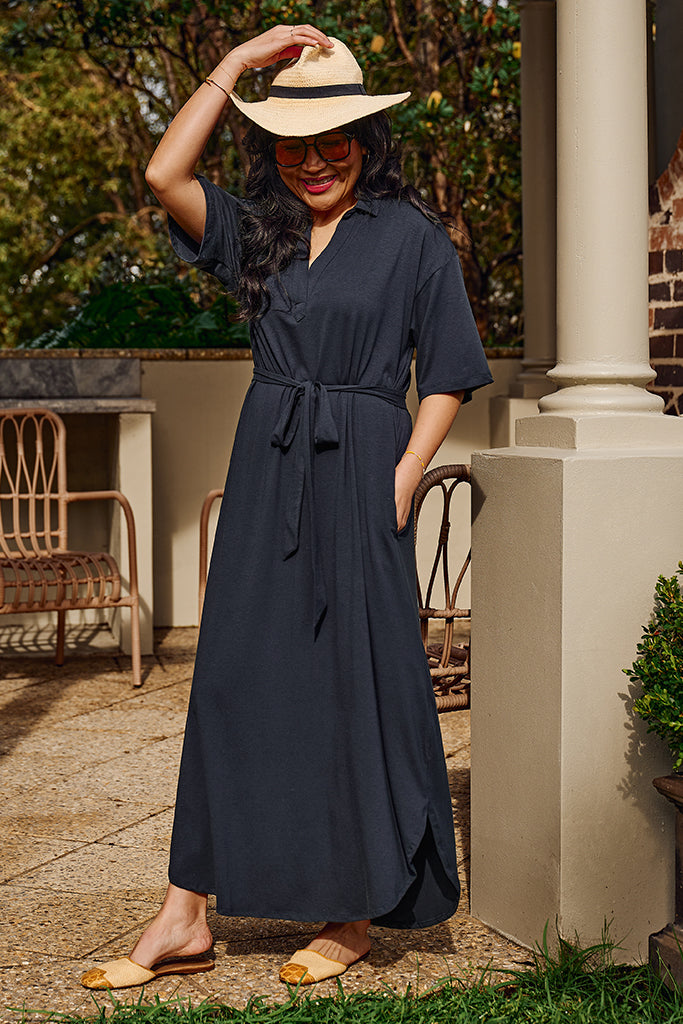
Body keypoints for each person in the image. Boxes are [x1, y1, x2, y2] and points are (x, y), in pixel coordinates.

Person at [80, 24, 492, 992]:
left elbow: (448, 371)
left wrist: (403, 473)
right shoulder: (257, 231)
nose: (314, 159)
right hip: (268, 470)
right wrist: (235, 66)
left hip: (362, 470)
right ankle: (186, 910)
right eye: (293, 143)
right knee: (231, 680)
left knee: (352, 688)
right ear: (272, 151)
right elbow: (162, 170)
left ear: (366, 139)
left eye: (333, 138)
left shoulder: (411, 239)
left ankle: (347, 913)